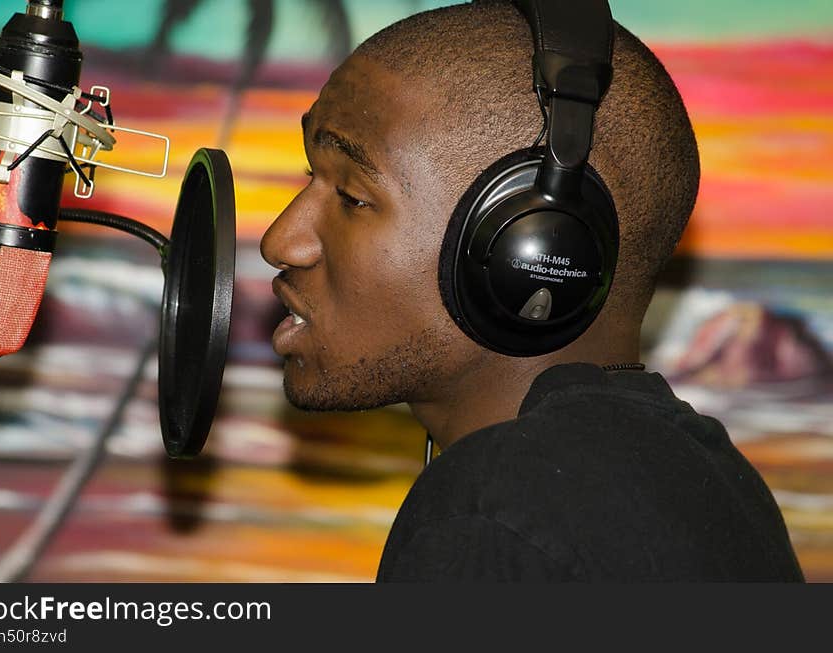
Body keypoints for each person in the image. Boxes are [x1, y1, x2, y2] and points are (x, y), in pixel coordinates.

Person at [259, 0, 804, 581]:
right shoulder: (714, 484)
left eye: (352, 196)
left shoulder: (499, 515)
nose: (282, 242)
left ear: (536, 253)